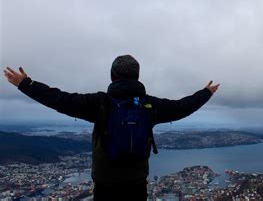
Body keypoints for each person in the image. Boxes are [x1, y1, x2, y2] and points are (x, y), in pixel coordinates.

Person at [3, 55, 219, 200]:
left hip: (106, 185)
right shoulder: (149, 105)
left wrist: (26, 85)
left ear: (112, 76)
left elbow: (59, 99)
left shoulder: (100, 103)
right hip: (137, 183)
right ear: (137, 76)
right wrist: (205, 93)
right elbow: (183, 107)